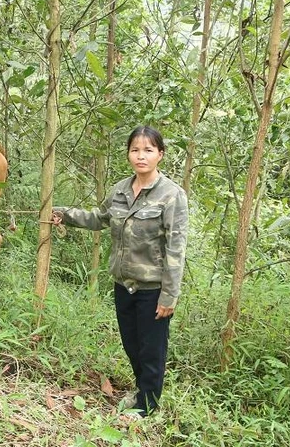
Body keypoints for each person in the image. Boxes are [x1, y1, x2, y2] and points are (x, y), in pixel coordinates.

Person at [52, 125, 188, 417]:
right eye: (135, 150)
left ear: (160, 155)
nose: (141, 156)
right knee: (132, 345)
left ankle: (147, 407)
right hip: (123, 284)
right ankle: (142, 392)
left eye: (148, 150)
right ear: (128, 154)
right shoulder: (120, 190)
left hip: (152, 288)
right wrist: (63, 214)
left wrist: (169, 295)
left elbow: (177, 248)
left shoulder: (172, 195)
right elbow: (99, 218)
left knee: (151, 350)